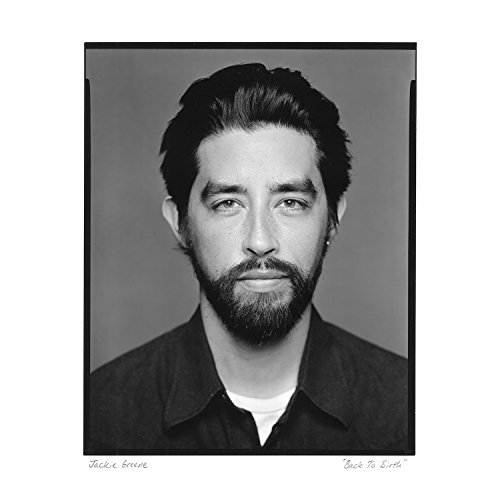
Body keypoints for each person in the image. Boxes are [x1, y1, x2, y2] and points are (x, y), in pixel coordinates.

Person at [87, 63, 409, 453]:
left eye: (290, 202)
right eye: (228, 203)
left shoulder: (411, 412)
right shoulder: (96, 419)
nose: (260, 241)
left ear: (332, 220)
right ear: (180, 223)